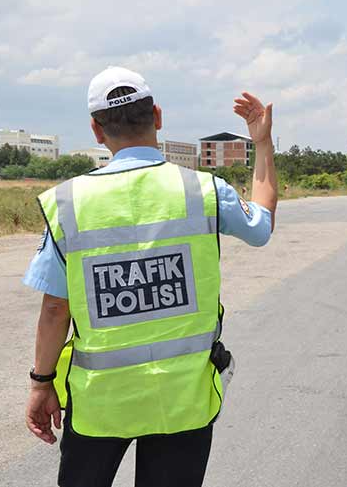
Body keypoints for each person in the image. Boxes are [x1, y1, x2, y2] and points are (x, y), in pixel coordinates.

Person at [22, 66, 278, 487]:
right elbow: (261, 225)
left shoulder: (67, 203)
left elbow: (55, 309)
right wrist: (262, 144)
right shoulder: (204, 190)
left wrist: (41, 384)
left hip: (100, 403)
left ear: (95, 130)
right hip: (184, 399)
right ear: (158, 116)